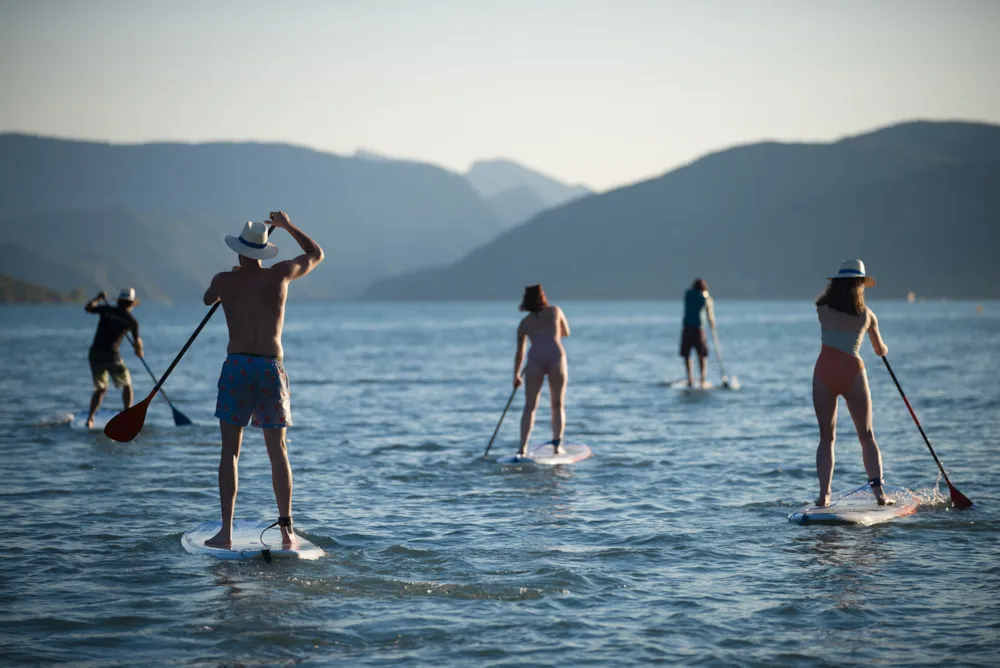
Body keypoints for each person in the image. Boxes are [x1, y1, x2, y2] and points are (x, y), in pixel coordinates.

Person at [202, 212, 324, 548]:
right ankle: (286, 530)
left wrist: (233, 279)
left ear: (240, 252)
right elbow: (316, 254)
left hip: (237, 366)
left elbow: (207, 298)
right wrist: (287, 225)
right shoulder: (280, 275)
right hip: (271, 367)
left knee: (230, 451)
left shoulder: (225, 280)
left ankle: (225, 533)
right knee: (278, 450)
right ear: (265, 251)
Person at [812, 259, 894, 507]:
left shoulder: (822, 309)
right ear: (860, 285)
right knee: (866, 435)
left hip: (823, 372)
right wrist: (884, 347)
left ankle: (824, 495)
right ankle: (880, 495)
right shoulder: (867, 316)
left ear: (836, 285)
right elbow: (880, 350)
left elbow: (828, 302)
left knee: (826, 437)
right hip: (852, 373)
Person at [513, 284, 571, 457]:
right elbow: (566, 332)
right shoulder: (555, 311)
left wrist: (516, 375)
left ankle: (522, 448)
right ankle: (557, 445)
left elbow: (519, 353)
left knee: (529, 406)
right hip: (556, 357)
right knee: (557, 404)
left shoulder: (524, 324)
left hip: (535, 360)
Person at [84, 288, 143, 429]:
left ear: (120, 302)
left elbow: (88, 308)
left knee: (100, 388)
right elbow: (137, 341)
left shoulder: (106, 310)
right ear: (131, 304)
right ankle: (127, 415)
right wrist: (139, 351)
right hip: (111, 356)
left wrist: (98, 298)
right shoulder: (132, 321)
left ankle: (90, 419)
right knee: (127, 385)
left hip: (95, 355)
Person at [680, 278, 715, 388]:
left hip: (687, 328)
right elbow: (709, 309)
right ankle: (702, 379)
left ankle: (690, 378)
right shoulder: (703, 298)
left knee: (687, 354)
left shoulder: (688, 295)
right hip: (698, 329)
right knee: (701, 354)